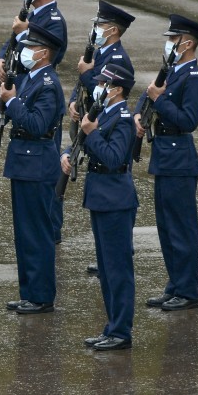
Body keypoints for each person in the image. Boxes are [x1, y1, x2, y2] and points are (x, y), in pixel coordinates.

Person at [0, 23, 64, 315]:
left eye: (30, 47)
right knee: (23, 232)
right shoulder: (29, 77)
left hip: (38, 162)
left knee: (37, 231)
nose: (23, 52)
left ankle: (42, 296)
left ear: (44, 54)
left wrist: (12, 102)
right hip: (23, 161)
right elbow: (6, 100)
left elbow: (36, 124)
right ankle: (29, 292)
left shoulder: (48, 84)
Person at [61, 64, 138, 351]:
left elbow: (114, 157)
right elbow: (82, 140)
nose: (99, 87)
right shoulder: (104, 112)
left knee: (118, 268)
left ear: (117, 89)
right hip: (101, 196)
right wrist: (67, 155)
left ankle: (121, 332)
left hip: (115, 198)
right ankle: (112, 326)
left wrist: (92, 134)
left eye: (104, 83)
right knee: (106, 269)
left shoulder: (124, 118)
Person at [136, 14, 198, 312]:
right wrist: (139, 115)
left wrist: (160, 100)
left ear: (187, 43)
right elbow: (148, 97)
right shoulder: (171, 70)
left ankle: (188, 291)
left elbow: (188, 120)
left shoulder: (193, 78)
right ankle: (175, 285)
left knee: (181, 228)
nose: (168, 44)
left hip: (179, 157)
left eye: (173, 39)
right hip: (165, 156)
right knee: (166, 228)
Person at [67, 0, 134, 276]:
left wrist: (86, 77)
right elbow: (86, 84)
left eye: (101, 25)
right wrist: (73, 101)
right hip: (93, 124)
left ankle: (118, 251)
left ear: (114, 30)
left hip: (104, 130)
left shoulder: (117, 58)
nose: (95, 29)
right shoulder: (99, 51)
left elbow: (100, 87)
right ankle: (108, 252)